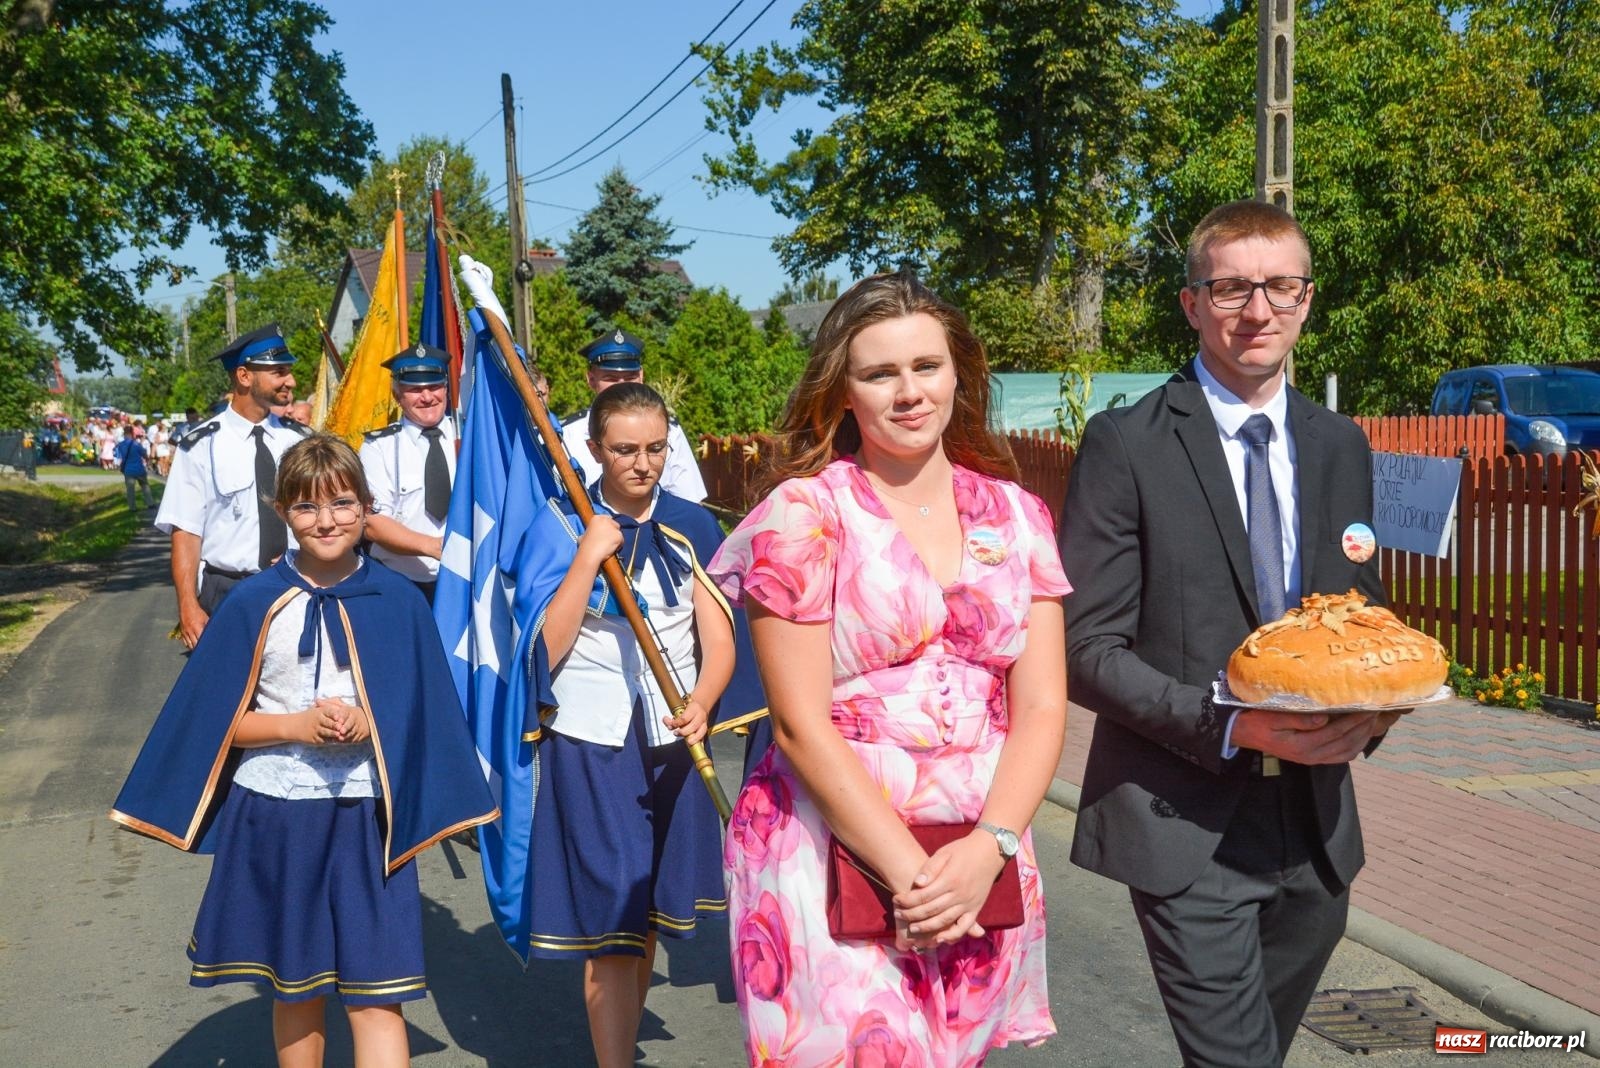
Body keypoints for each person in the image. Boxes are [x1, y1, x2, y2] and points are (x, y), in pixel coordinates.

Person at [1061, 199, 1399, 1068]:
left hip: (1316, 835)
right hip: (1184, 824)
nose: (1258, 312)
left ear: (1308, 299)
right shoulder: (1126, 444)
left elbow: (1354, 607)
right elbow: (1083, 648)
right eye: (1232, 289)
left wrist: (1382, 703)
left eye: (1280, 287)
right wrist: (1228, 721)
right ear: (1190, 303)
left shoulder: (1341, 445)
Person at [707, 271, 1070, 1065]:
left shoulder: (1018, 516)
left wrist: (987, 851)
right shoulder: (805, 516)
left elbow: (1041, 706)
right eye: (879, 374)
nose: (909, 392)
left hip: (980, 850)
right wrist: (916, 878)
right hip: (830, 845)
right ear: (842, 394)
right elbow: (800, 726)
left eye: (926, 367)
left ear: (959, 376)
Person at [110, 434, 497, 1068]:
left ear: (367, 507)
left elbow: (426, 713)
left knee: (379, 995)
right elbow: (211, 725)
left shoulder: (398, 601)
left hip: (369, 819)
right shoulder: (252, 602)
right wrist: (294, 726)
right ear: (282, 510)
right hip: (277, 813)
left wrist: (370, 724)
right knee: (297, 988)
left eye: (344, 505)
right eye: (307, 508)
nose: (327, 522)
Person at [527, 382, 746, 1068]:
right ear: (593, 450)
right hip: (592, 736)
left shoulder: (693, 523)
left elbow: (719, 635)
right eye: (624, 450)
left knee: (648, 905)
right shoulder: (560, 522)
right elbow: (544, 649)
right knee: (614, 911)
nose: (642, 464)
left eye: (655, 448)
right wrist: (590, 555)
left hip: (673, 734)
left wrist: (705, 700)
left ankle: (614, 1045)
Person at [155, 324, 309, 649]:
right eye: (279, 372)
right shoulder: (199, 446)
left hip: (298, 586)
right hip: (227, 592)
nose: (291, 381)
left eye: (289, 372)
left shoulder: (300, 441)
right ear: (244, 376)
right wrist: (187, 605)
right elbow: (186, 533)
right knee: (230, 696)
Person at [560, 329, 708, 501]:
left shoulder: (670, 431)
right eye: (611, 378)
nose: (620, 385)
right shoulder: (566, 436)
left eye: (630, 377)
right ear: (591, 379)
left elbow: (689, 501)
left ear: (641, 376)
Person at [359, 345, 456, 603]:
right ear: (397, 394)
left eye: (434, 386)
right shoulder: (379, 447)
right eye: (415, 389)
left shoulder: (468, 438)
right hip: (400, 583)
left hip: (464, 581)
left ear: (446, 387)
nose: (427, 397)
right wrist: (434, 547)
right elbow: (373, 523)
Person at [113, 423, 154, 510]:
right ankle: (150, 503)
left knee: (130, 490)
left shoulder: (121, 445)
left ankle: (132, 507)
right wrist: (148, 461)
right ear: (132, 433)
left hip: (128, 470)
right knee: (145, 486)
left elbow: (117, 455)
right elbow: (144, 454)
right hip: (139, 468)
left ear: (124, 433)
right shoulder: (136, 444)